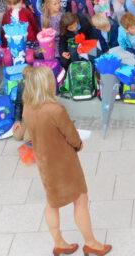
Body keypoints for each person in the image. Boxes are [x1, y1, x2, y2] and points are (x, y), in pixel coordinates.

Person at [22, 67, 111, 255]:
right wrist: (79, 145)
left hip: (45, 166)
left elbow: (27, 134)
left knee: (52, 203)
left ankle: (59, 242)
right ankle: (91, 243)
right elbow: (72, 137)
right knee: (80, 200)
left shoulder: (27, 107)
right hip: (65, 164)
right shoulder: (55, 110)